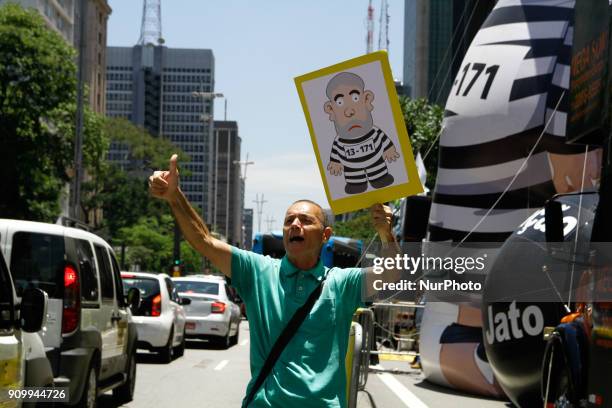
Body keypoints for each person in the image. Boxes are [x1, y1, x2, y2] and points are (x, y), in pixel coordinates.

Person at [149, 154, 400, 408]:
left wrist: (386, 235)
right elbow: (204, 241)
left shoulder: (342, 283)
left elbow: (393, 276)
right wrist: (175, 196)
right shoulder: (257, 272)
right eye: (289, 220)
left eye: (305, 220)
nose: (295, 225)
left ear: (325, 235)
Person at [324, 72, 400, 195]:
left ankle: (380, 178)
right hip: (351, 167)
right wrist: (335, 163)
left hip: (376, 161)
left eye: (355, 98)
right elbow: (335, 153)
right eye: (340, 102)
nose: (349, 112)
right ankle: (356, 183)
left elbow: (384, 139)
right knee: (355, 180)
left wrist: (389, 150)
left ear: (366, 99)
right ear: (331, 109)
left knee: (379, 174)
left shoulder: (375, 132)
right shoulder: (339, 141)